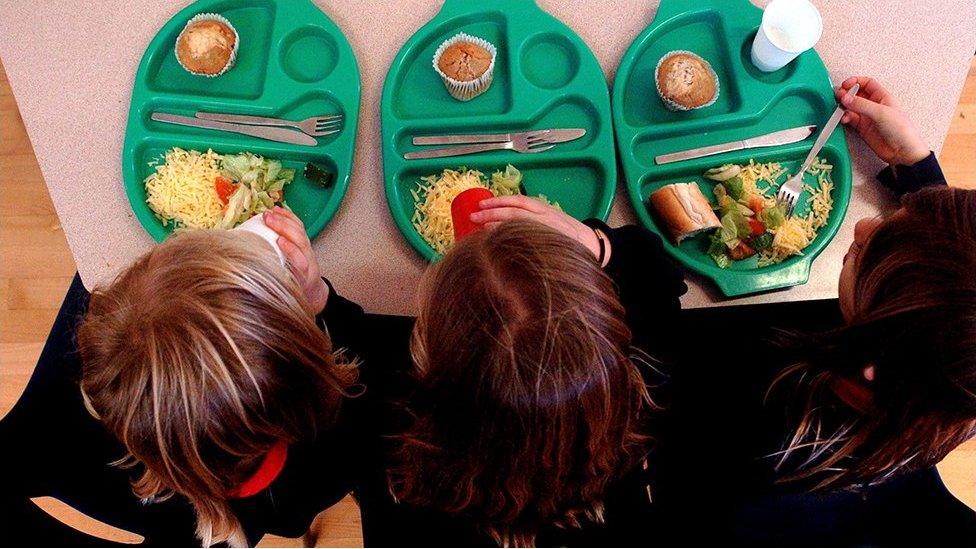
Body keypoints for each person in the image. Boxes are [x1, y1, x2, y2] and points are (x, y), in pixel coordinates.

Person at [651, 76, 976, 546]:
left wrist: (610, 253)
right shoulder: (944, 387)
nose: (862, 225)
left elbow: (657, 343)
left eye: (867, 250)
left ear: (870, 361)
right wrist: (917, 172)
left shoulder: (758, 408)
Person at [22, 207, 371, 547]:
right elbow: (363, 371)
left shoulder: (122, 395)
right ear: (305, 370)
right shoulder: (311, 467)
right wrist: (322, 301)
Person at [356, 204, 687, 547]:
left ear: (429, 366)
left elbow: (355, 369)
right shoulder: (644, 388)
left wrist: (324, 304)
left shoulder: (390, 434)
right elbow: (663, 282)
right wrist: (598, 243)